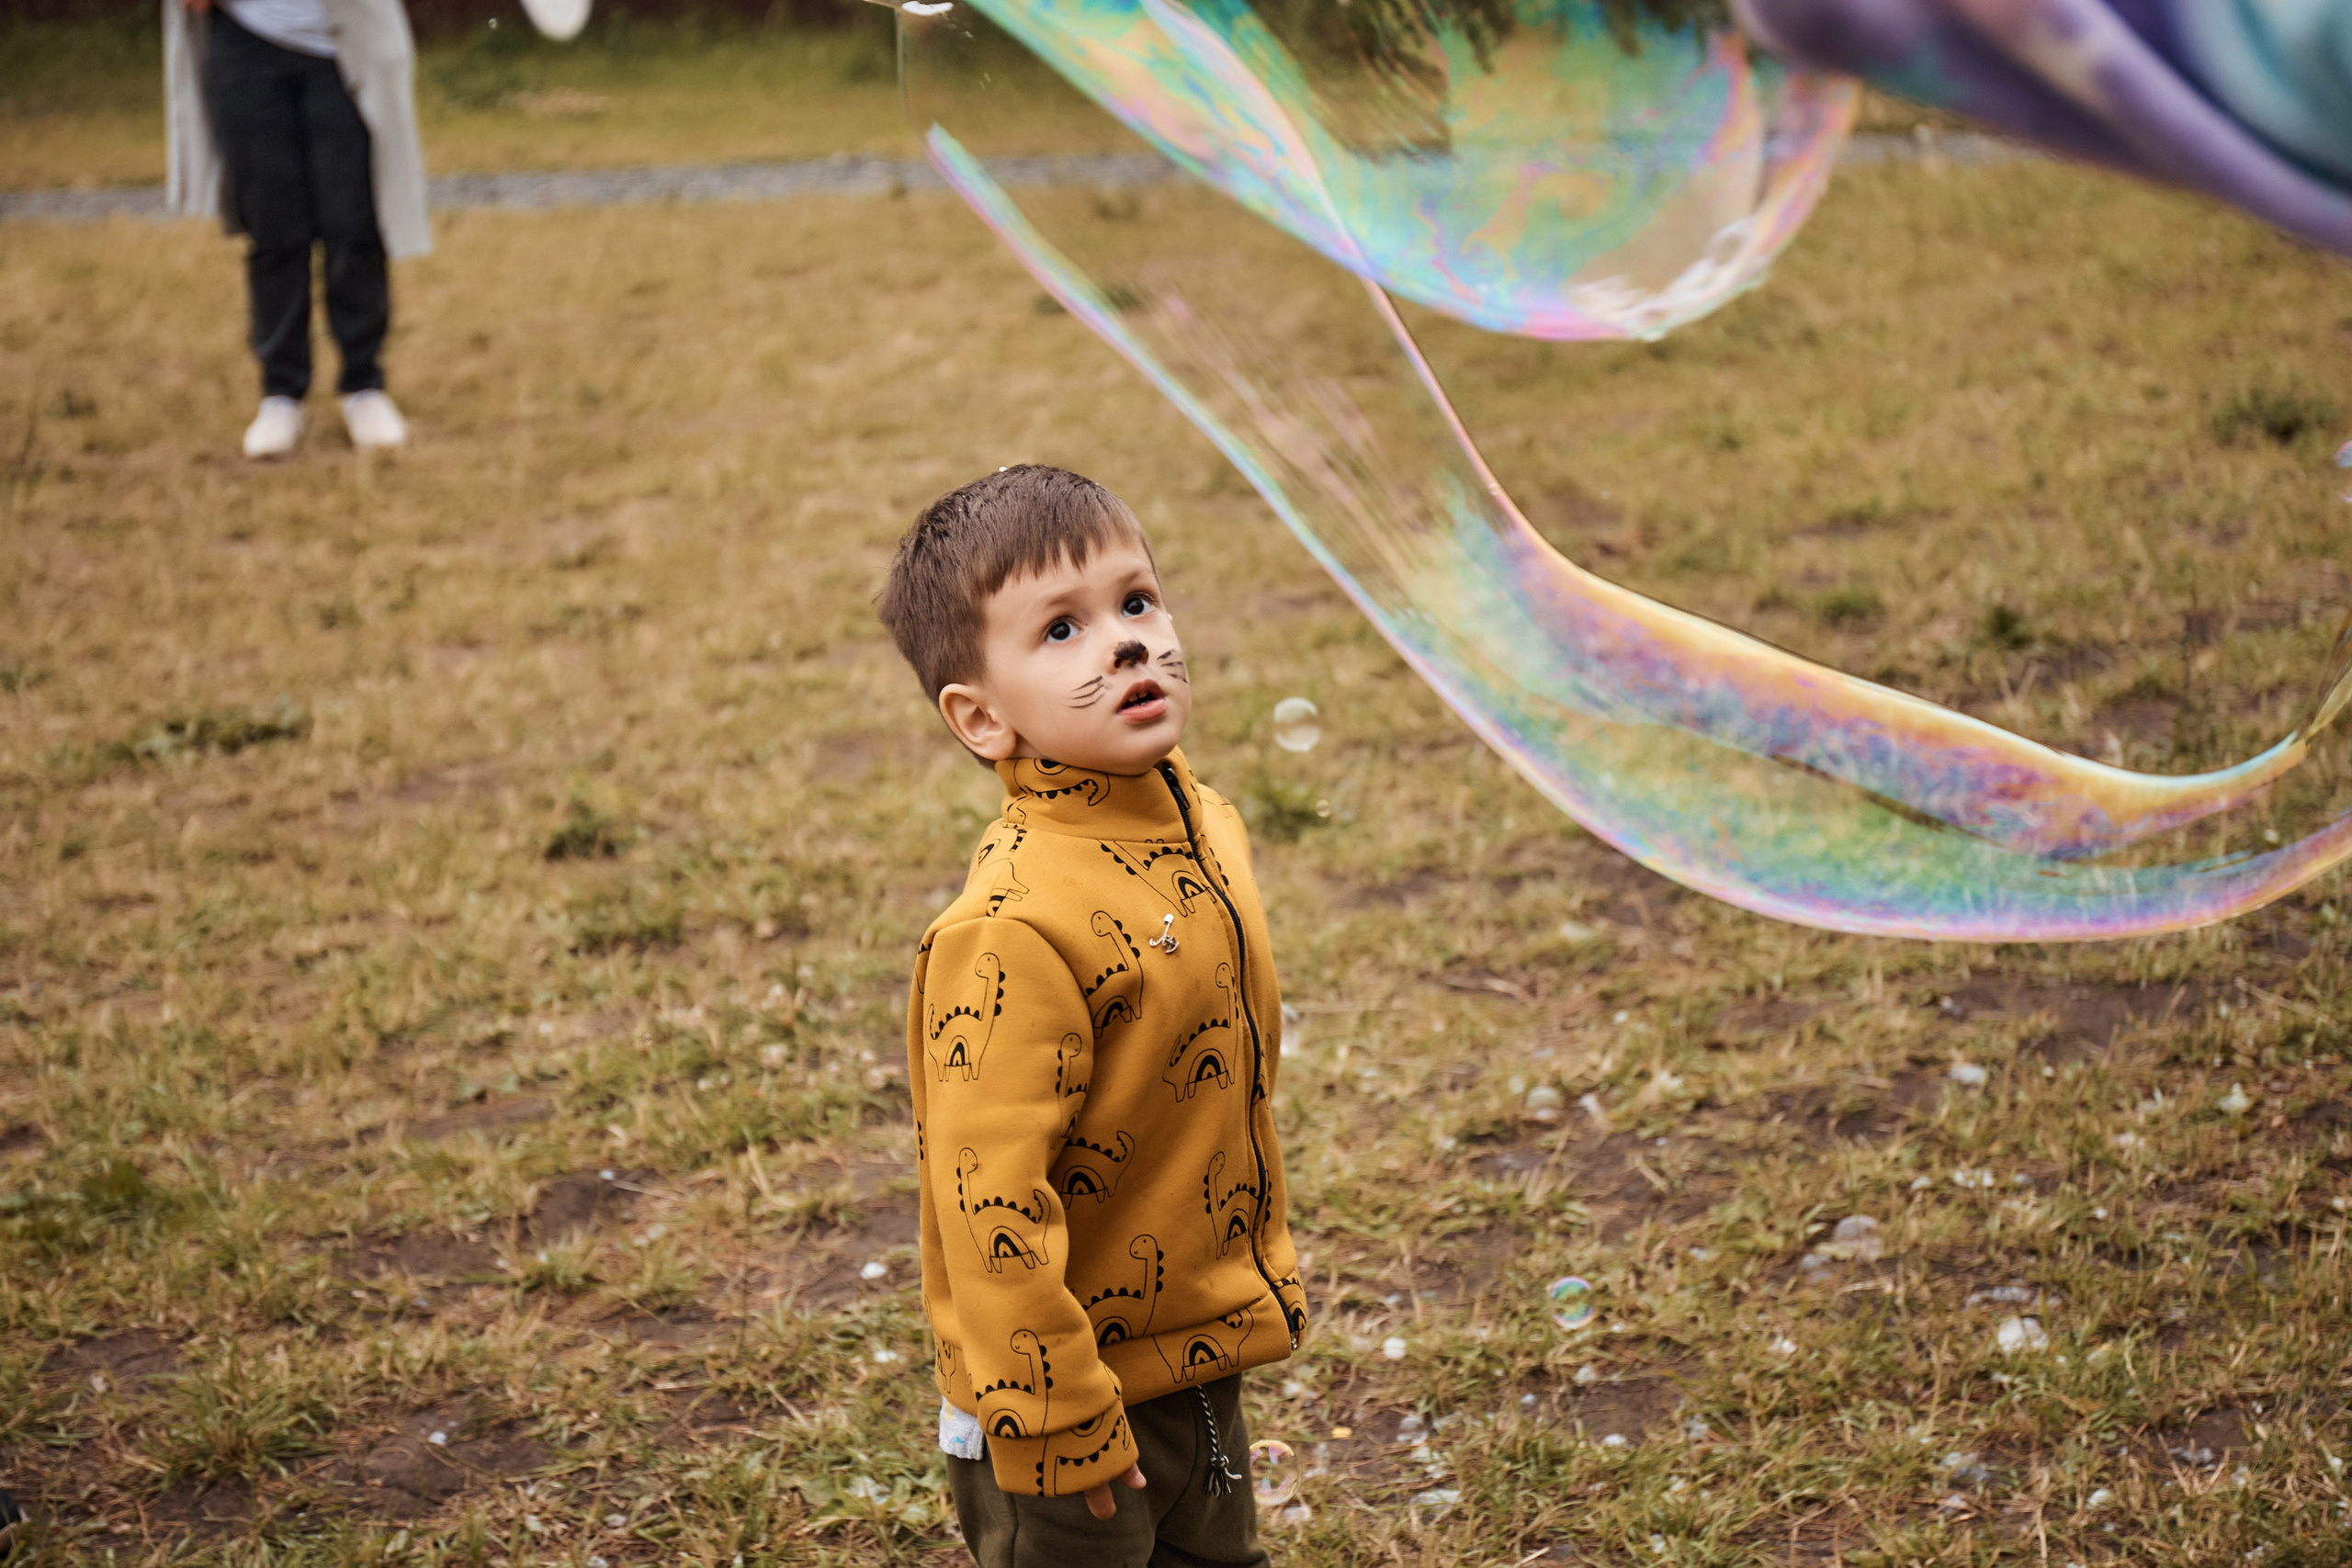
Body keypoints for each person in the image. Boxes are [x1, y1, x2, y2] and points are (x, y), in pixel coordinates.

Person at [876, 466, 1310, 1568]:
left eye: (1136, 603)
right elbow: (989, 1204)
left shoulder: (1200, 825)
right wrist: (1059, 1417)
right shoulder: (1013, 930)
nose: (1125, 644)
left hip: (1190, 1354)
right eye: (1060, 629)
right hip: (1058, 1407)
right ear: (981, 719)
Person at [163, 0, 430, 458]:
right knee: (275, 229)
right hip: (244, 43)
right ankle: (280, 395)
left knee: (354, 224)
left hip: (345, 43)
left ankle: (363, 386)